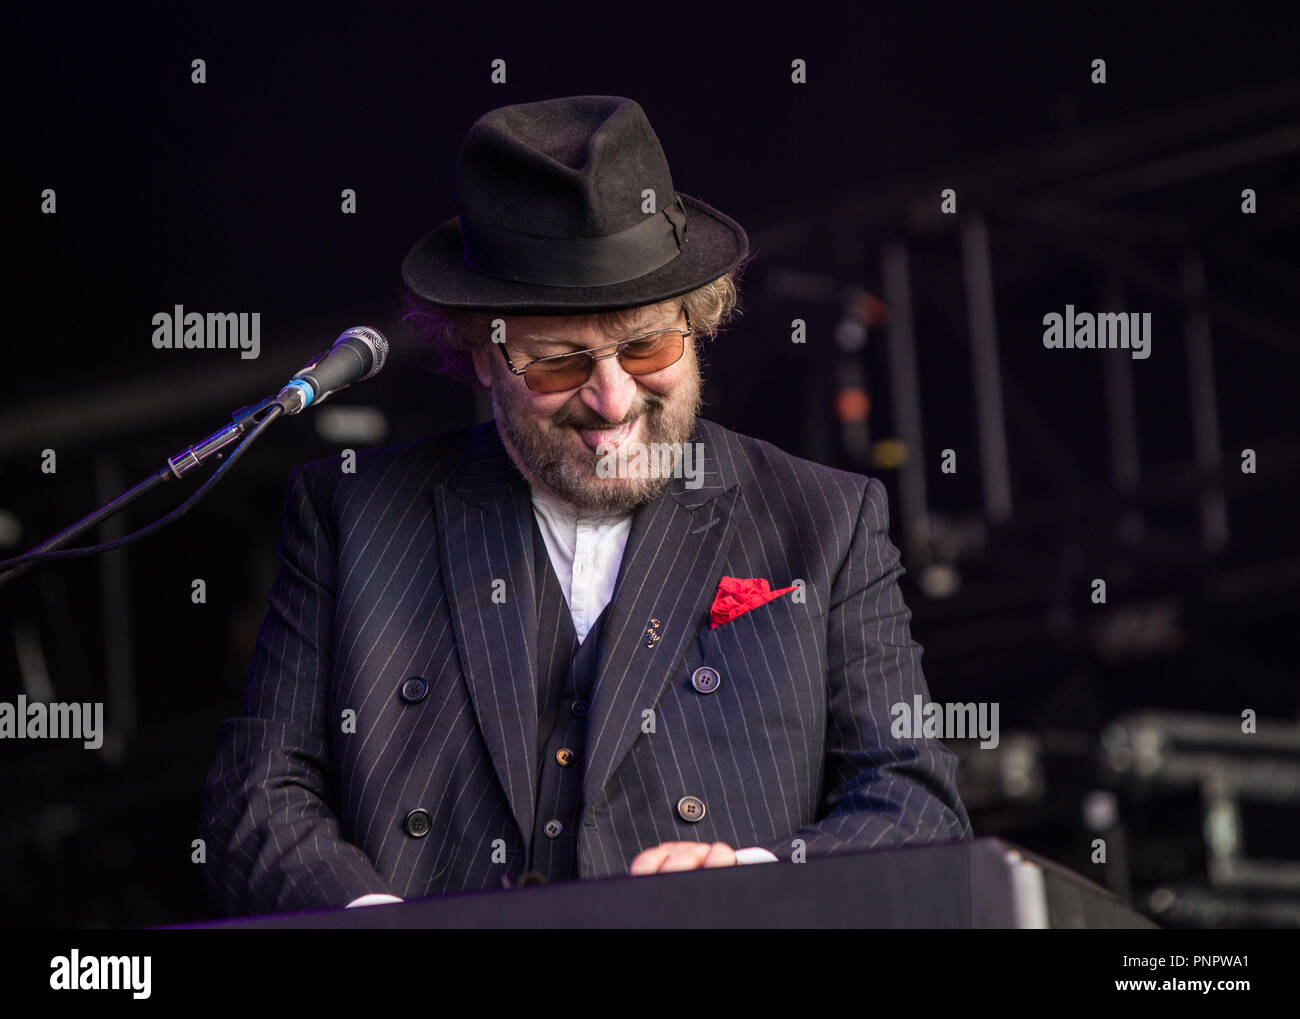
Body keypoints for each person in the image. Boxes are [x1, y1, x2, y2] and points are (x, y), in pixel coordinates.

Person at [199, 94, 971, 916]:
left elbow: (916, 800)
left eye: (646, 345)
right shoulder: (346, 515)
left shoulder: (829, 519)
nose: (612, 400)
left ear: (698, 317)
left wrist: (758, 876)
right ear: (484, 352)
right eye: (560, 363)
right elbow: (257, 802)